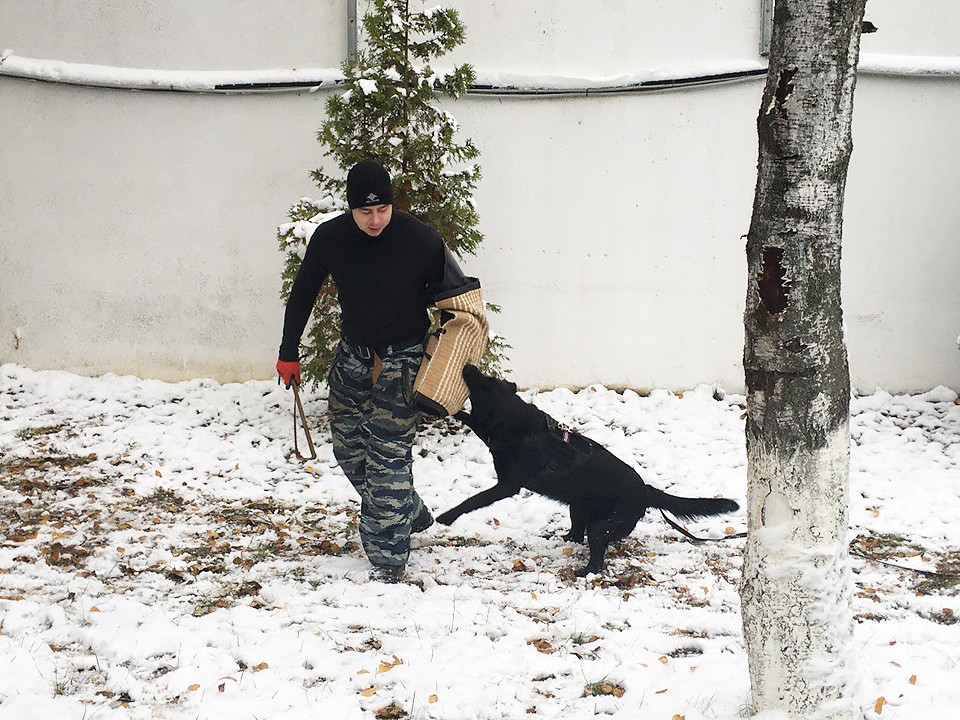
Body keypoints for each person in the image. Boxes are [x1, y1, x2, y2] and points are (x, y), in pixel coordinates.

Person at [276, 159, 458, 584]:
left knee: (388, 456)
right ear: (350, 208)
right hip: (353, 356)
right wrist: (288, 352)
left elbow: (459, 303)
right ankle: (407, 511)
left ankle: (389, 559)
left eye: (383, 210)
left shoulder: (422, 239)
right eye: (365, 211)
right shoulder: (331, 238)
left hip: (405, 360)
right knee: (348, 447)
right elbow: (303, 292)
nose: (375, 220)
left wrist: (452, 362)